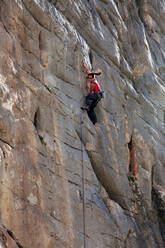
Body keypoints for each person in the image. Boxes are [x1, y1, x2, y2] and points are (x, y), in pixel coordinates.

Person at [81, 61, 104, 125]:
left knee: (88, 97)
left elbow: (89, 93)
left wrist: (87, 87)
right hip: (98, 97)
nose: (88, 79)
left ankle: (87, 106)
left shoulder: (93, 83)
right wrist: (84, 65)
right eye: (88, 78)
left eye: (89, 78)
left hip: (97, 94)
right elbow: (87, 70)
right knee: (91, 109)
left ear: (92, 78)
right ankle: (94, 122)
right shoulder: (92, 77)